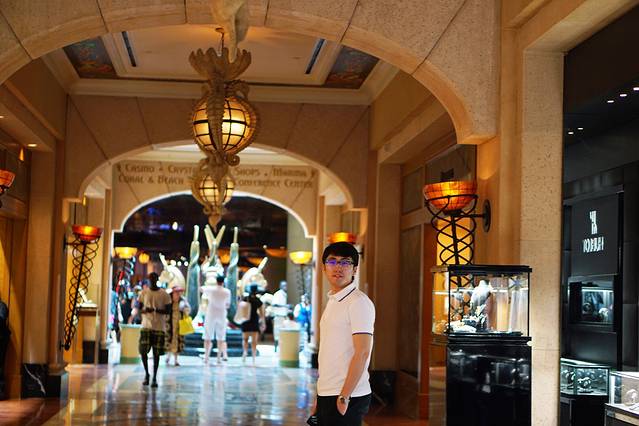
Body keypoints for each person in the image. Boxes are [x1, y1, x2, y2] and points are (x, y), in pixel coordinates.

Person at [311, 242, 375, 426]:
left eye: (345, 262)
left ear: (355, 269)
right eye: (332, 261)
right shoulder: (334, 300)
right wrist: (320, 395)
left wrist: (344, 396)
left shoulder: (358, 302)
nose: (338, 267)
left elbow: (362, 352)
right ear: (324, 268)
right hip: (329, 392)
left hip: (347, 395)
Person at [137, 272, 171, 387]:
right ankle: (147, 374)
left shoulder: (164, 294)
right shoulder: (144, 293)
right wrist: (145, 311)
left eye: (154, 278)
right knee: (143, 351)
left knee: (156, 353)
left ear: (157, 279)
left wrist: (155, 310)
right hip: (146, 325)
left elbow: (168, 310)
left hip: (159, 327)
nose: (152, 280)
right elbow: (139, 308)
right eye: (150, 278)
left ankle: (155, 377)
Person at [201, 274, 231, 365]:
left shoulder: (211, 289)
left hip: (211, 313)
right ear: (223, 282)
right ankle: (218, 358)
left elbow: (201, 289)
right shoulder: (227, 291)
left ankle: (206, 357)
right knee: (221, 337)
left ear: (216, 281)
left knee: (208, 336)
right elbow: (228, 304)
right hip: (221, 314)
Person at [165, 286, 191, 366]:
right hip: (169, 323)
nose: (178, 294)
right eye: (176, 292)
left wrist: (184, 309)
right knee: (169, 339)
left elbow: (188, 310)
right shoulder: (168, 300)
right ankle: (168, 356)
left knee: (177, 340)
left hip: (179, 323)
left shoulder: (183, 301)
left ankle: (176, 359)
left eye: (179, 292)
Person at [241, 285, 265, 365]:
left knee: (245, 339)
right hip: (254, 320)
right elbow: (262, 314)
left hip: (246, 320)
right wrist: (263, 323)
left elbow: (241, 309)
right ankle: (254, 356)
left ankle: (245, 353)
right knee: (254, 341)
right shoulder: (258, 300)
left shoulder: (245, 299)